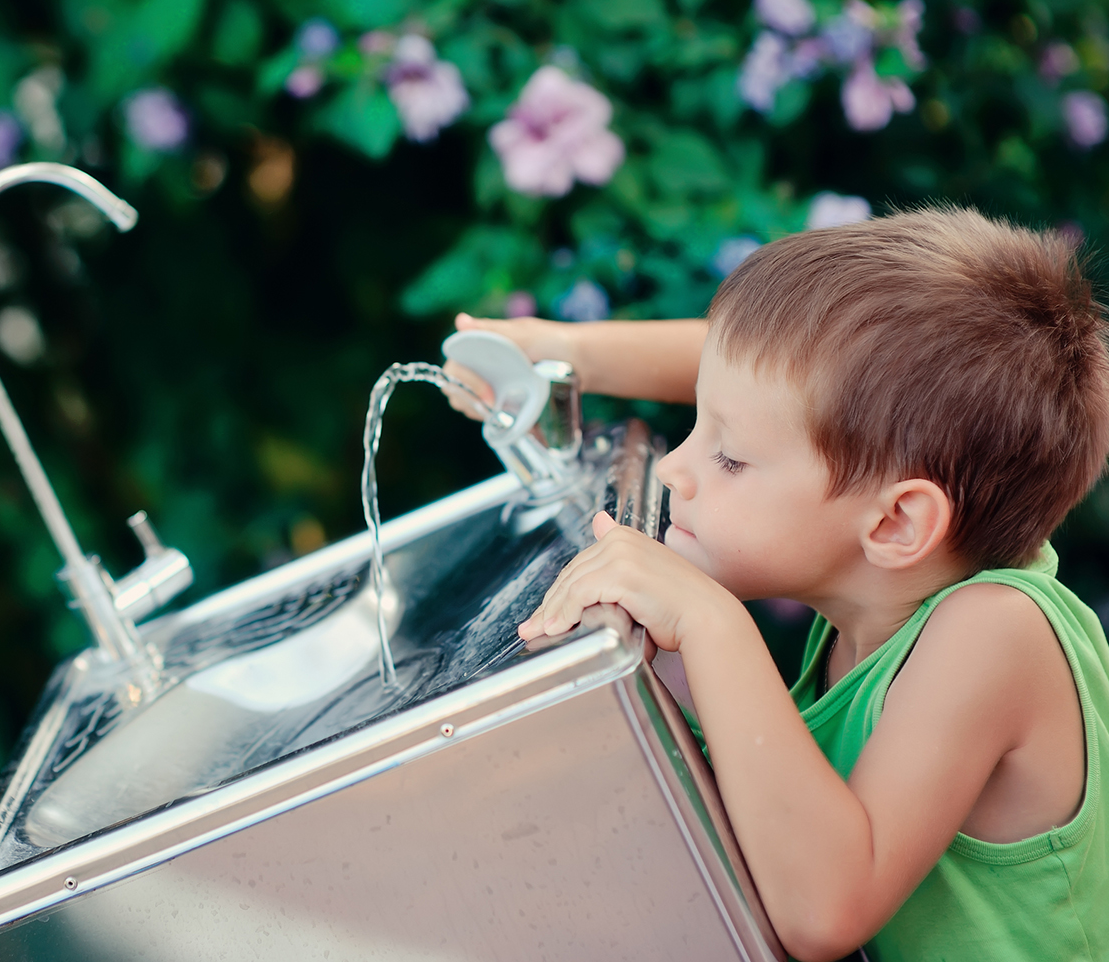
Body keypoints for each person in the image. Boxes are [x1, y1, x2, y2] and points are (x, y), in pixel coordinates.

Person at [444, 207, 1109, 962]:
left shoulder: (994, 633)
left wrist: (710, 624)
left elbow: (826, 911)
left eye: (727, 459)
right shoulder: (930, 541)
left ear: (895, 525)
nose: (673, 470)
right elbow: (767, 387)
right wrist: (565, 353)